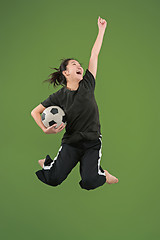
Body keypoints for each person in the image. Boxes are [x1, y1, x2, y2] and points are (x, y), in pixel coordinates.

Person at [31, 16, 119, 190]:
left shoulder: (88, 83)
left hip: (92, 142)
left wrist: (101, 30)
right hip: (71, 142)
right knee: (53, 179)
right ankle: (49, 163)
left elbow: (94, 54)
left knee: (89, 182)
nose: (79, 66)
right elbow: (35, 111)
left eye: (80, 64)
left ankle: (103, 173)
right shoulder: (59, 96)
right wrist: (44, 129)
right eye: (74, 64)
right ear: (65, 72)